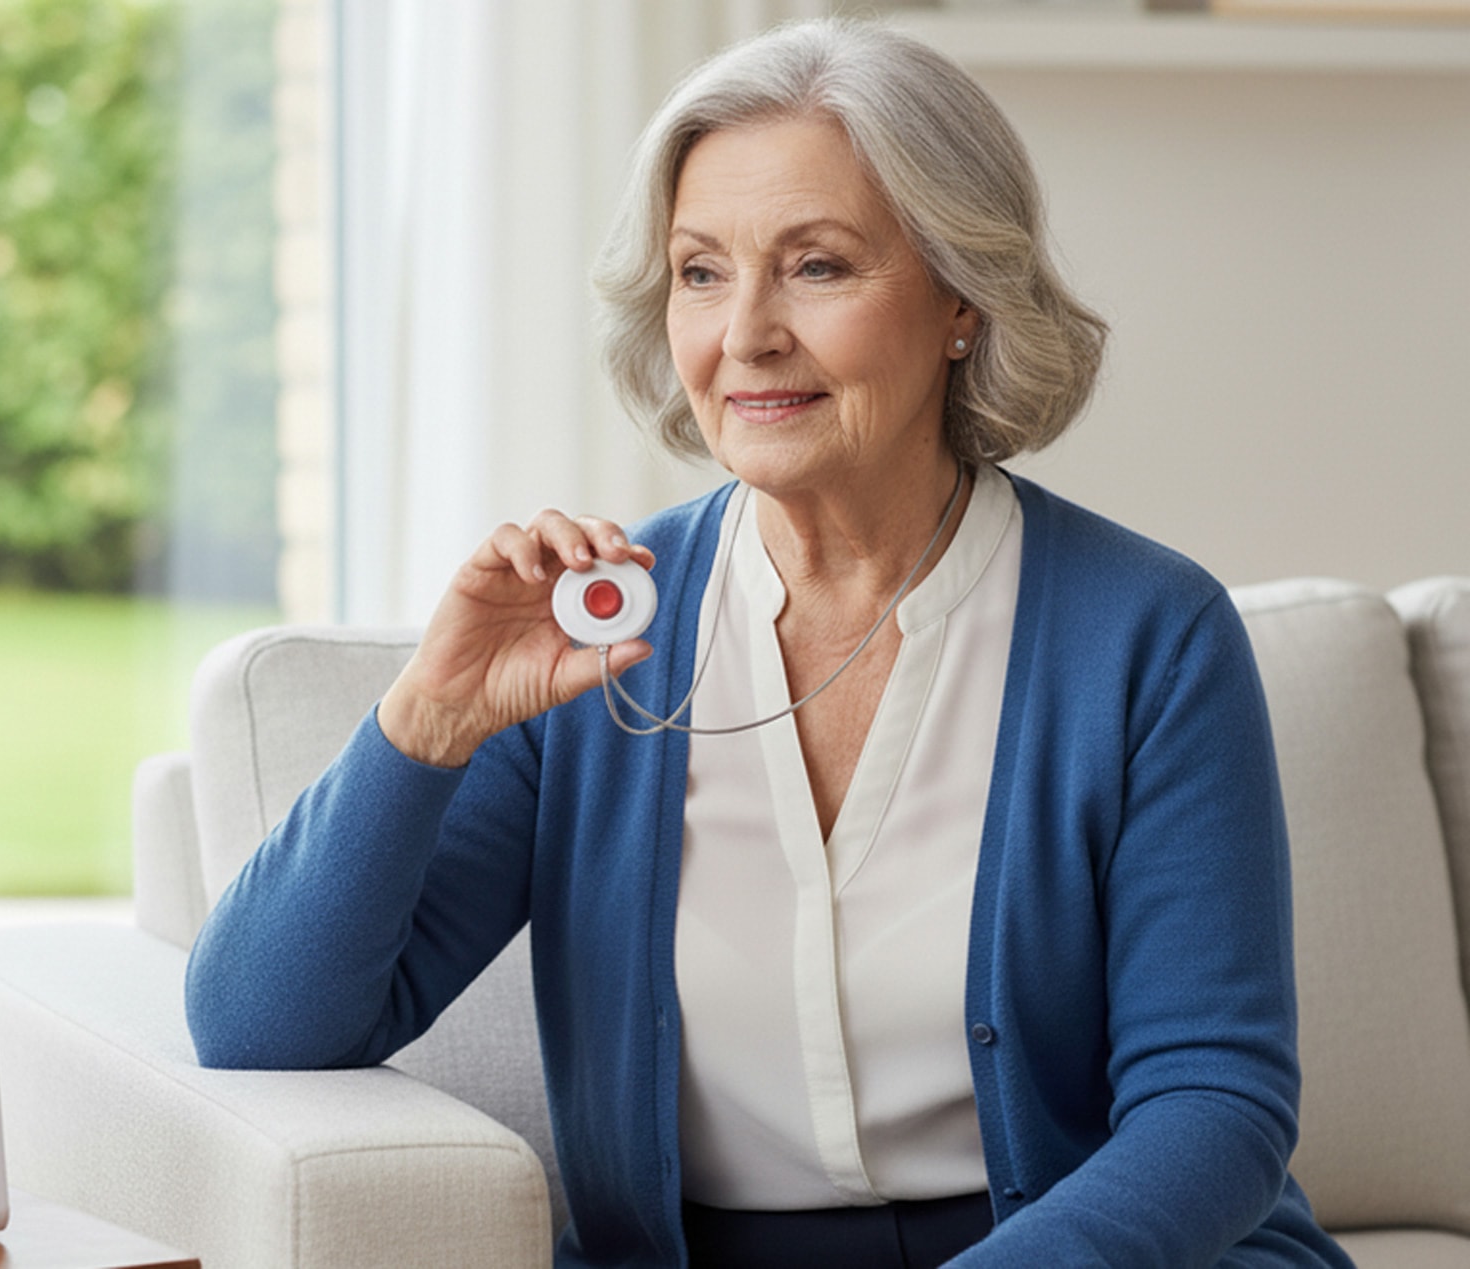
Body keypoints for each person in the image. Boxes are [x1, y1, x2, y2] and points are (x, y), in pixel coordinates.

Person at [185, 18, 1354, 1268]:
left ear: (963, 297)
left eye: (818, 267)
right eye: (700, 272)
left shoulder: (1150, 636)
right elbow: (260, 1026)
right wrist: (427, 719)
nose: (745, 333)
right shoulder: (600, 640)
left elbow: (1215, 1107)